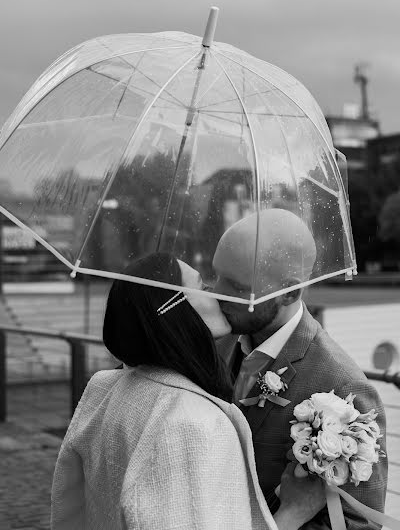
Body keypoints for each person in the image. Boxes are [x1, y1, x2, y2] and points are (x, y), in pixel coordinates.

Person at [51, 252, 326, 530]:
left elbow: (72, 506)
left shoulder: (105, 390)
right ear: (174, 310)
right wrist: (293, 513)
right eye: (203, 287)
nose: (218, 293)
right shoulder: (191, 424)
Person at [213, 208, 388, 530]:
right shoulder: (214, 343)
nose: (215, 292)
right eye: (216, 275)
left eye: (236, 286)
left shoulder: (344, 386)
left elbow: (357, 524)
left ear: (290, 292)